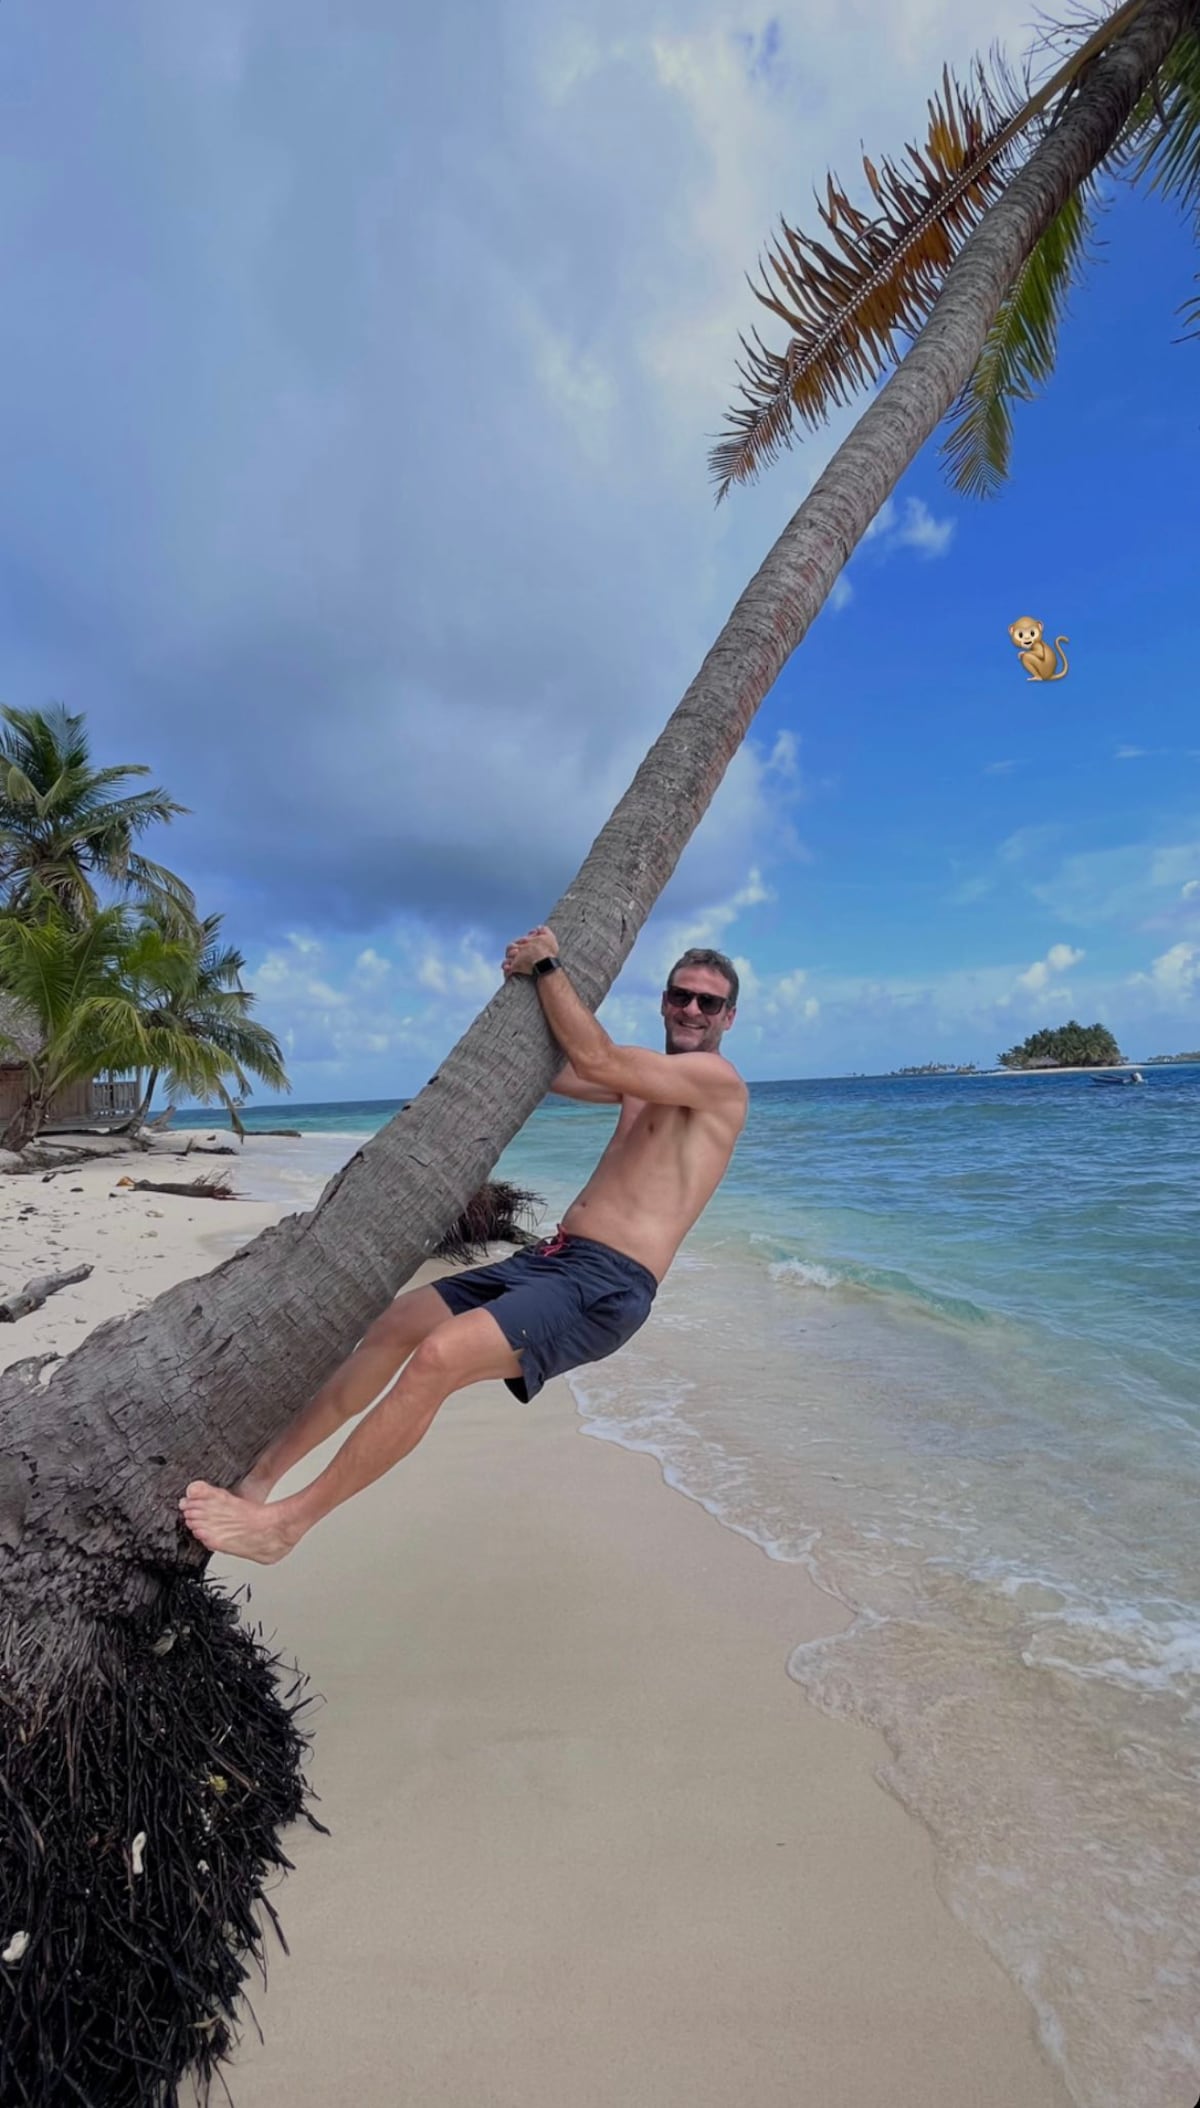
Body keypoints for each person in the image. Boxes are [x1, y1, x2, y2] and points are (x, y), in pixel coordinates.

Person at [179, 927, 747, 1563]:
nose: (692, 1011)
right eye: (682, 996)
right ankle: (260, 1481)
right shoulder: (648, 1080)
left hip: (606, 1287)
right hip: (554, 1259)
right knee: (396, 1324)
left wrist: (550, 966)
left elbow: (597, 1060)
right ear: (666, 1001)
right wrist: (517, 994)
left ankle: (288, 1525)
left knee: (438, 1358)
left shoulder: (717, 1081)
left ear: (729, 1017)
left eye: (708, 1003)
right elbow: (551, 1072)